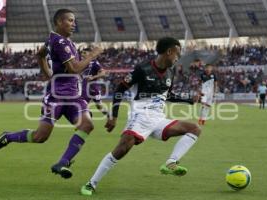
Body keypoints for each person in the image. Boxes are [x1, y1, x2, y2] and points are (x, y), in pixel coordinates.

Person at [0, 8, 103, 179]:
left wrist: (48, 74)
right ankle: (8, 137)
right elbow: (74, 69)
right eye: (70, 20)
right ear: (59, 22)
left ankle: (62, 163)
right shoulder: (60, 42)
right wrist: (92, 55)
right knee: (40, 137)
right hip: (56, 97)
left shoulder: (57, 40)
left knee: (87, 125)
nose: (74, 24)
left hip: (75, 97)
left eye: (74, 21)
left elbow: (40, 54)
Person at [80, 37, 201, 196]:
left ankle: (171, 163)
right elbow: (119, 90)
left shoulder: (170, 72)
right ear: (169, 52)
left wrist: (188, 100)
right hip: (139, 117)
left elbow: (167, 95)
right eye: (177, 54)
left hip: (158, 119)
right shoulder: (142, 69)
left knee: (194, 128)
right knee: (121, 150)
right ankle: (91, 183)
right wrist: (114, 116)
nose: (178, 58)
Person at [80, 48, 109, 116]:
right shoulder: (81, 63)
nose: (82, 54)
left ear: (90, 54)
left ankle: (109, 116)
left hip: (94, 87)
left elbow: (103, 73)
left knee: (99, 107)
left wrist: (93, 77)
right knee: (83, 106)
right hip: (85, 87)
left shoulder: (94, 62)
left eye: (84, 52)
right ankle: (87, 122)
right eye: (82, 53)